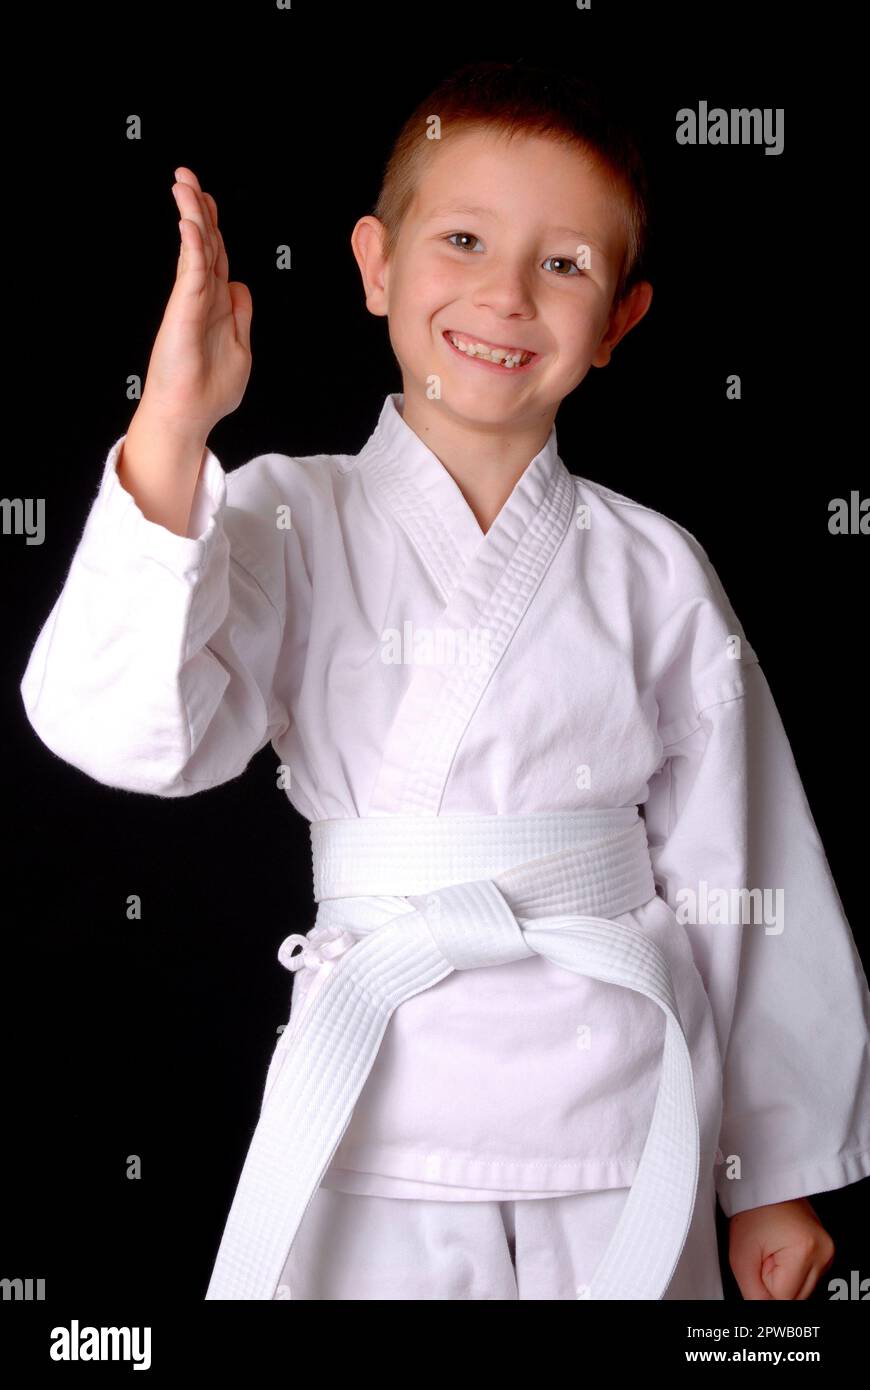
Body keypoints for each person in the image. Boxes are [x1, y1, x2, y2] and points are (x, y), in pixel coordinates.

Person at [19, 61, 870, 1301]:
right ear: (374, 265)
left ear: (621, 319)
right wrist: (174, 428)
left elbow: (743, 863)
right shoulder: (283, 515)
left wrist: (770, 1165)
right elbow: (126, 731)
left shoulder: (654, 566)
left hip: (623, 1114)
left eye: (565, 264)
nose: (506, 296)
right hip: (375, 1099)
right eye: (463, 238)